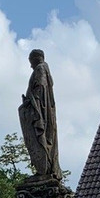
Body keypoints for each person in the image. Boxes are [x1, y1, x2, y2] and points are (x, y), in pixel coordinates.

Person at [18, 49, 61, 179]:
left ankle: (44, 168)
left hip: (40, 112)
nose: (30, 65)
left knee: (40, 137)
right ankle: (47, 167)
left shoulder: (40, 69)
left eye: (31, 61)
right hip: (45, 111)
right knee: (47, 138)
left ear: (37, 58)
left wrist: (30, 103)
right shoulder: (44, 69)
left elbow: (40, 90)